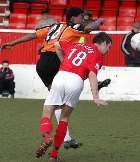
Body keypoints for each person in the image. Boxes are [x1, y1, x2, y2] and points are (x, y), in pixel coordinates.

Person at [1, 7, 110, 151]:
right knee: (69, 85)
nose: (83, 19)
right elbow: (90, 27)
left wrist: (13, 43)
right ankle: (60, 139)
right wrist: (100, 21)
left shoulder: (54, 26)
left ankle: (64, 138)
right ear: (73, 18)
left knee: (57, 99)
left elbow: (33, 35)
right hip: (56, 60)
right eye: (81, 17)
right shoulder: (75, 27)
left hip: (42, 64)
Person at [38, 32, 112, 162]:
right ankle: (53, 156)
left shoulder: (77, 45)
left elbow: (56, 44)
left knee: (47, 112)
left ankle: (46, 138)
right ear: (104, 43)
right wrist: (95, 96)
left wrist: (63, 61)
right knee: (64, 118)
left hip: (60, 76)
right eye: (109, 47)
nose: (108, 50)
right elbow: (92, 75)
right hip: (76, 80)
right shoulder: (97, 55)